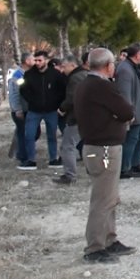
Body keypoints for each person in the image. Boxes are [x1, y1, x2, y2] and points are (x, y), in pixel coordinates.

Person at [73, 47, 137, 263]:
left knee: (110, 198)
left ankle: (109, 239)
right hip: (103, 150)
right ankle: (95, 247)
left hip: (97, 148)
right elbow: (127, 111)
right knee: (102, 200)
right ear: (109, 66)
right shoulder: (101, 86)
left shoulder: (85, 84)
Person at [21, 50, 67, 169]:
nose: (37, 63)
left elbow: (63, 90)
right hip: (34, 111)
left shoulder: (56, 74)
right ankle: (31, 160)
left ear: (46, 60)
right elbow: (23, 89)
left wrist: (57, 103)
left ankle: (53, 159)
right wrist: (32, 100)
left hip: (51, 111)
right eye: (35, 60)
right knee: (29, 135)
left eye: (39, 60)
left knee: (52, 135)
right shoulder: (28, 74)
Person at [115, 44, 140, 179]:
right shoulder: (125, 69)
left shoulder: (132, 67)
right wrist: (128, 113)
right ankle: (125, 169)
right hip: (133, 113)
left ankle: (135, 164)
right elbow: (124, 94)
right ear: (137, 55)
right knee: (131, 140)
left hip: (139, 111)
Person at [55, 55, 89, 185]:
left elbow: (72, 98)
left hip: (77, 117)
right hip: (88, 117)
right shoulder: (86, 75)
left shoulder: (75, 78)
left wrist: (62, 108)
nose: (62, 70)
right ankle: (93, 171)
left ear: (73, 65)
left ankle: (70, 176)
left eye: (64, 66)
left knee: (67, 147)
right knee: (87, 146)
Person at [7, 54, 30, 165]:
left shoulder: (27, 74)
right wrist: (18, 109)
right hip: (21, 110)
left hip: (27, 109)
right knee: (22, 133)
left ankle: (20, 152)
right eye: (32, 59)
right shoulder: (18, 76)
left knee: (27, 133)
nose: (35, 61)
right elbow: (14, 94)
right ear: (26, 61)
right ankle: (23, 157)